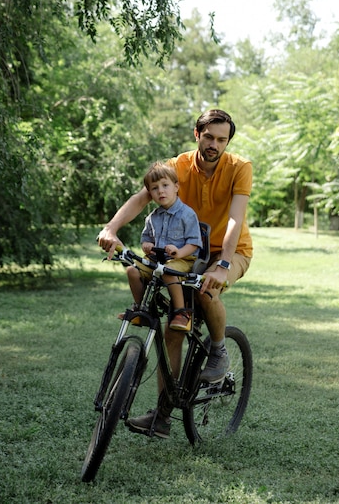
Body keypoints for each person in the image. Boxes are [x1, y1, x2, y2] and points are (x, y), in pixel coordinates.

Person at [98, 109, 253, 438]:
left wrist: (223, 264)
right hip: (182, 253)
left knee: (206, 289)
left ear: (228, 141)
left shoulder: (240, 168)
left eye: (222, 139)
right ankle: (163, 417)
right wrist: (111, 228)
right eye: (208, 137)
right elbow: (142, 198)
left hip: (229, 251)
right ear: (197, 134)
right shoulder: (179, 165)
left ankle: (219, 350)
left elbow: (236, 220)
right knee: (173, 330)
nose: (214, 144)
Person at [124, 161, 202, 331]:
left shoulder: (187, 214)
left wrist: (179, 252)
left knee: (166, 272)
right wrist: (147, 245)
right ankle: (142, 309)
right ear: (150, 193)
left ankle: (182, 312)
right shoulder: (152, 217)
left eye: (165, 185)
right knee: (132, 270)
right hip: (157, 260)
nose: (160, 191)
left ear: (176, 187)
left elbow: (194, 243)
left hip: (183, 260)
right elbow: (146, 238)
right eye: (154, 188)